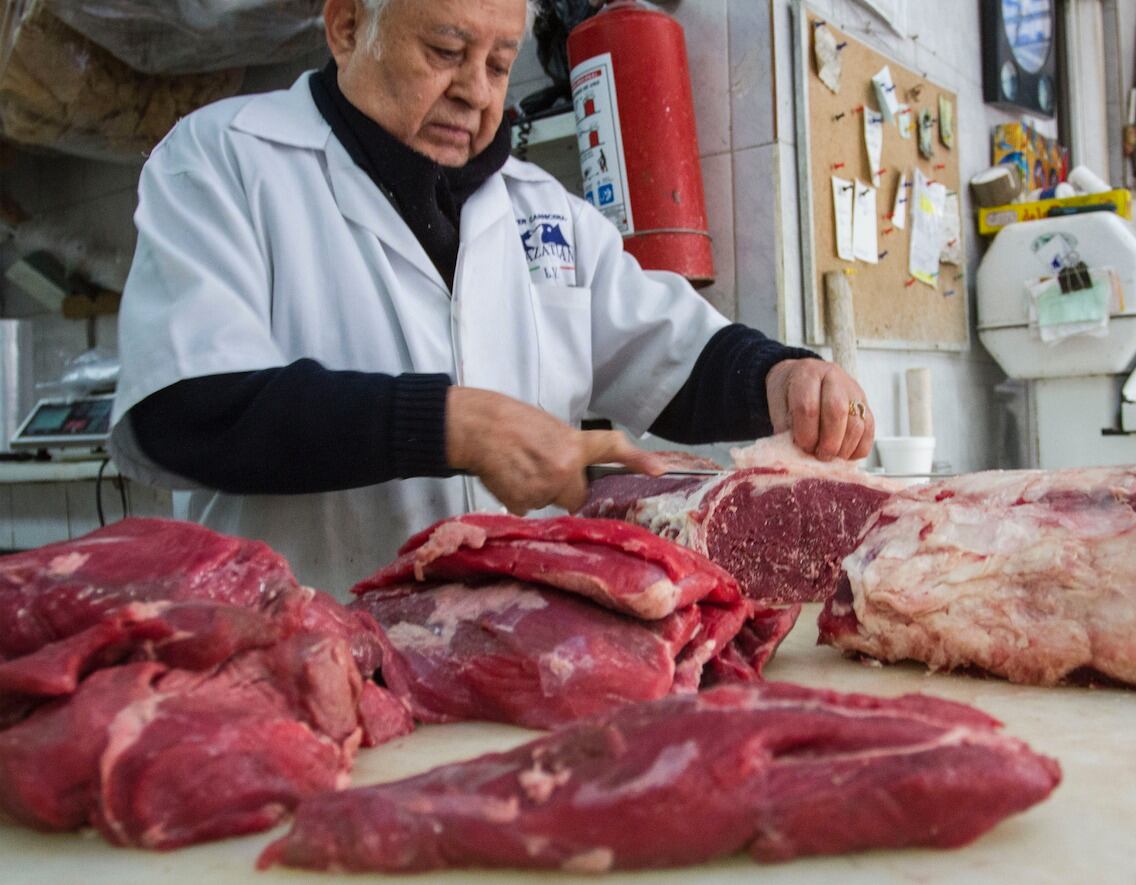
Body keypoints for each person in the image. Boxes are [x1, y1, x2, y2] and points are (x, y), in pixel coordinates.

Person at [110, 0, 875, 592]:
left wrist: (779, 375)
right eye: (445, 52)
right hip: (299, 660)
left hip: (508, 662)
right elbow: (183, 408)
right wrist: (451, 424)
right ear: (346, 27)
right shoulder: (226, 158)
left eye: (500, 63)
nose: (476, 92)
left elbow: (671, 353)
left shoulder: (543, 210)